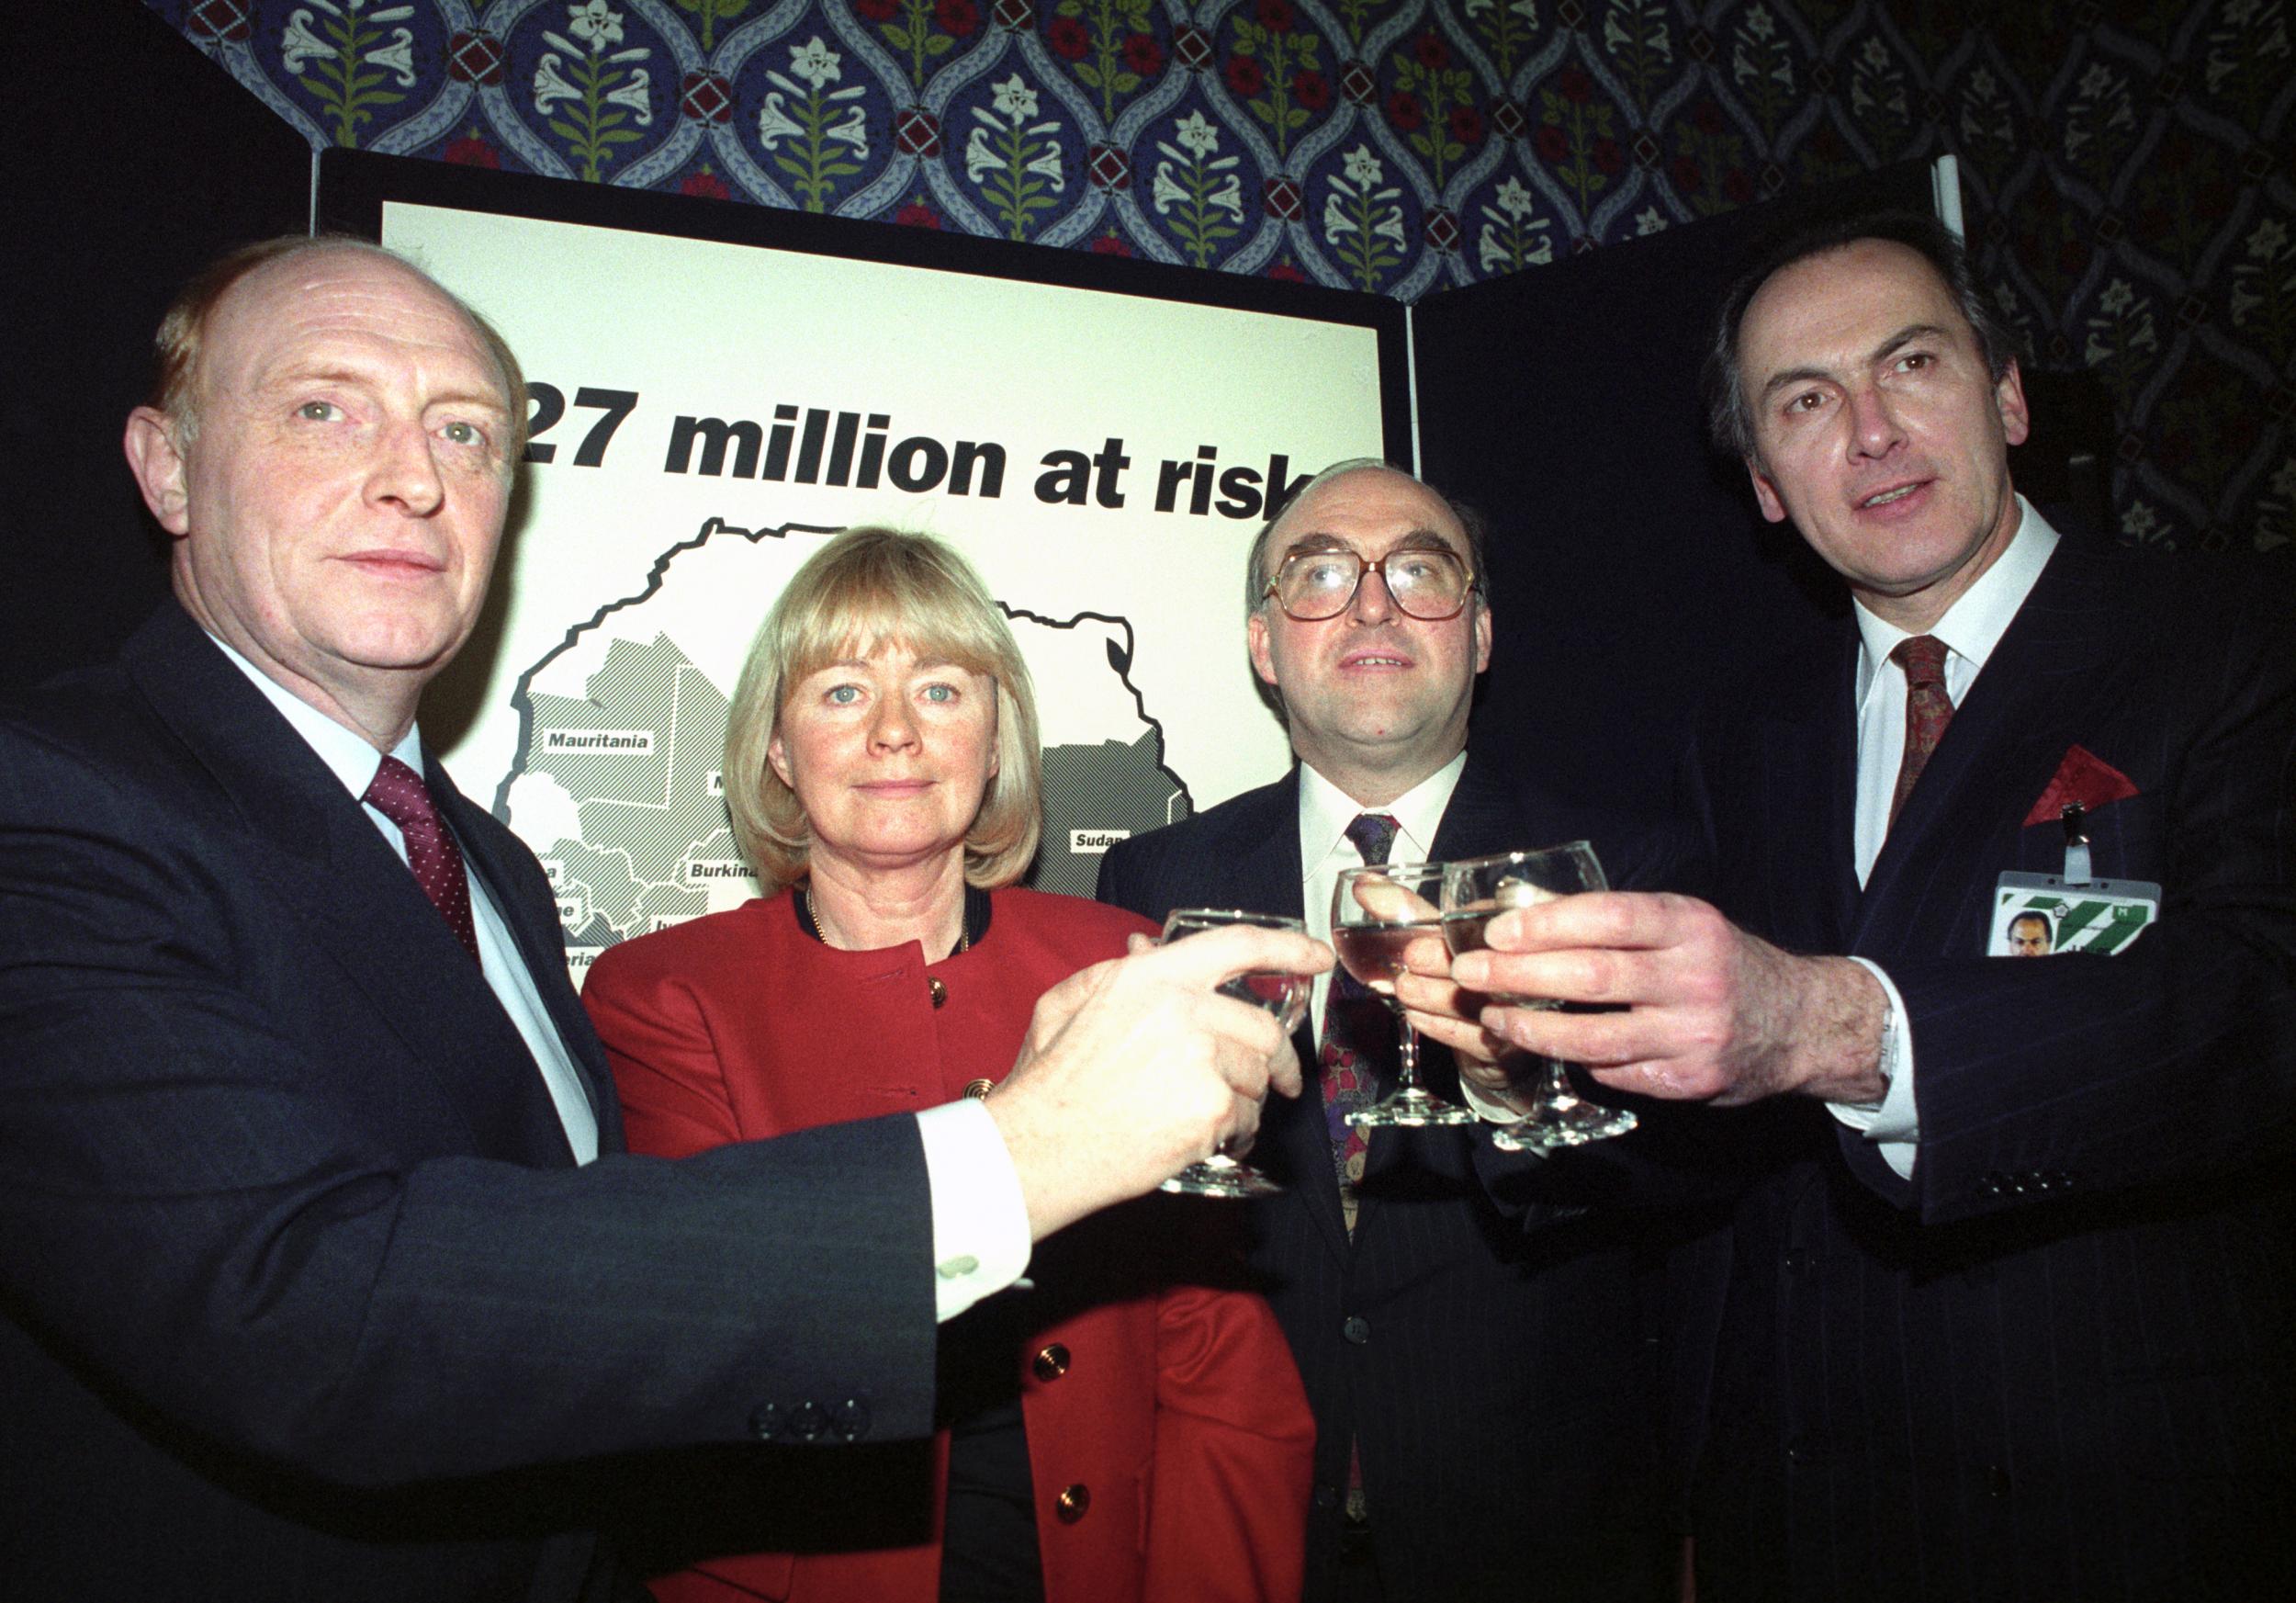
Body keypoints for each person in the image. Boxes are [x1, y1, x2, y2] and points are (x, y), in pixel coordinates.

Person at [0, 237, 1323, 1601]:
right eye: (324, 407)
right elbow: (324, 1311)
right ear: (165, 465)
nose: (411, 474)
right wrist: (1021, 1151)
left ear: (999, 742)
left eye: (462, 430)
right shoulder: (53, 803)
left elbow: (1215, 1365)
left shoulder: (486, 867)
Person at [1448, 209, 2296, 1597]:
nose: (1872, 431)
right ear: (1768, 486)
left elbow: (2262, 1002)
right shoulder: (1745, 733)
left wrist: (1840, 1024)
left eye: (1912, 365)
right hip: (1800, 1514)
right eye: (1805, 401)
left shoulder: (2237, 635)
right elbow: (1724, 1137)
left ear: (2006, 394)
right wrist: (1539, 1073)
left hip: (2138, 1509)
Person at [580, 527, 1314, 1602]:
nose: (892, 733)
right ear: (777, 750)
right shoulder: (664, 994)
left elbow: (1215, 1364)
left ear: (993, 739)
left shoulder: (1115, 961)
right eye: (839, 691)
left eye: (938, 689)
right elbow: (712, 1351)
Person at [1098, 459, 1672, 1602]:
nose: (1370, 603)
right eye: (1318, 573)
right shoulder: (1156, 877)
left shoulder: (1622, 875)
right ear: (1266, 645)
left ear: (1481, 632)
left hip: (1539, 1529)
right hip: (1242, 1524)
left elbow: (1689, 1182)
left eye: (1417, 569)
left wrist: (1518, 1080)